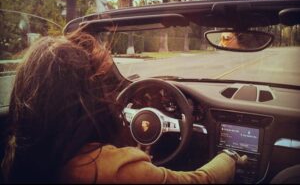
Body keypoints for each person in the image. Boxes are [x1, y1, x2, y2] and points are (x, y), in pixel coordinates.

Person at [1, 28, 247, 183]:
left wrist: (137, 154)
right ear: (83, 100)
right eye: (105, 85)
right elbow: (200, 179)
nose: (109, 93)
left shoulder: (16, 157)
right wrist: (230, 156)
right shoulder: (111, 169)